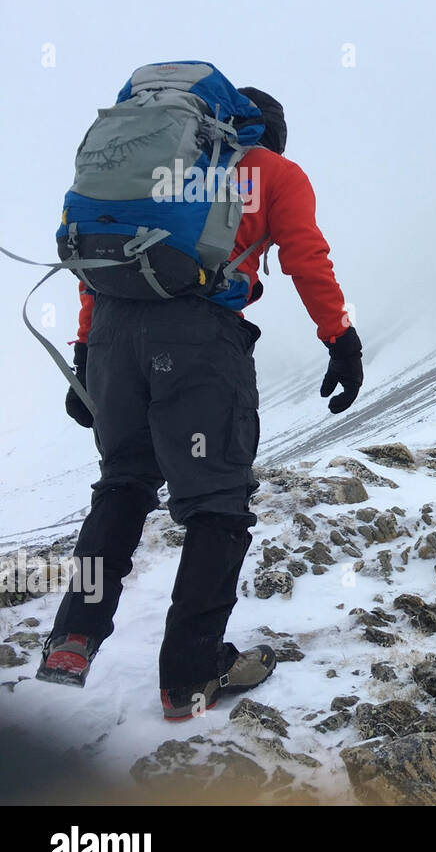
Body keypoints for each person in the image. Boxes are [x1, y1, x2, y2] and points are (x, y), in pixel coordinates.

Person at [40, 74, 363, 722]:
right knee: (218, 504)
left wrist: (86, 354)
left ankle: (72, 638)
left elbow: (100, 260)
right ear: (267, 131)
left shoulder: (156, 167)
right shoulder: (274, 171)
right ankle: (189, 677)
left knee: (124, 482)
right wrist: (341, 338)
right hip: (198, 341)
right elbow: (305, 256)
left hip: (111, 331)